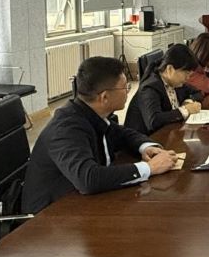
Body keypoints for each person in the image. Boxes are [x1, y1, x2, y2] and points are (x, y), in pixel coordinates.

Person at [21, 57, 176, 214]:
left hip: (80, 203)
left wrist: (146, 147)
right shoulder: (66, 129)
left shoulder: (89, 113)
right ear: (104, 97)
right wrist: (149, 168)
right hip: (50, 217)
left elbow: (123, 134)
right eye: (125, 87)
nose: (128, 91)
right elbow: (88, 179)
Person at [124, 43, 203, 135]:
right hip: (144, 140)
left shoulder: (176, 83)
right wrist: (185, 110)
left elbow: (198, 93)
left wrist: (188, 102)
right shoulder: (149, 88)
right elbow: (154, 121)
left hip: (169, 133)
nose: (188, 78)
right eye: (186, 73)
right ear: (170, 69)